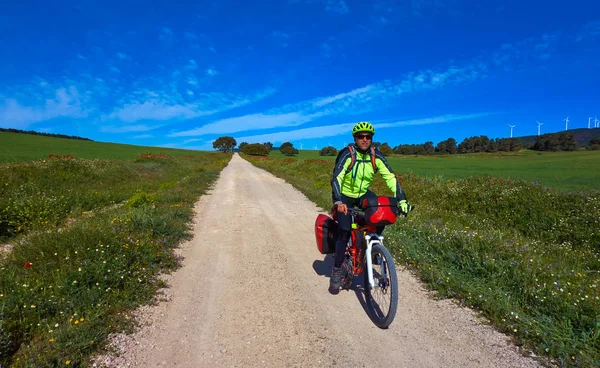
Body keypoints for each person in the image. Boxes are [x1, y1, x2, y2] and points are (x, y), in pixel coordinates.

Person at [329, 121, 411, 291]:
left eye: (368, 137)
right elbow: (336, 177)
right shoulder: (348, 154)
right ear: (355, 138)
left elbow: (390, 177)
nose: (364, 139)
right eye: (361, 137)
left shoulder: (376, 155)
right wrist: (338, 201)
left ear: (371, 138)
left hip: (363, 194)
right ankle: (337, 269)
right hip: (344, 195)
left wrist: (402, 200)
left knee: (381, 213)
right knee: (344, 231)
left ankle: (372, 248)